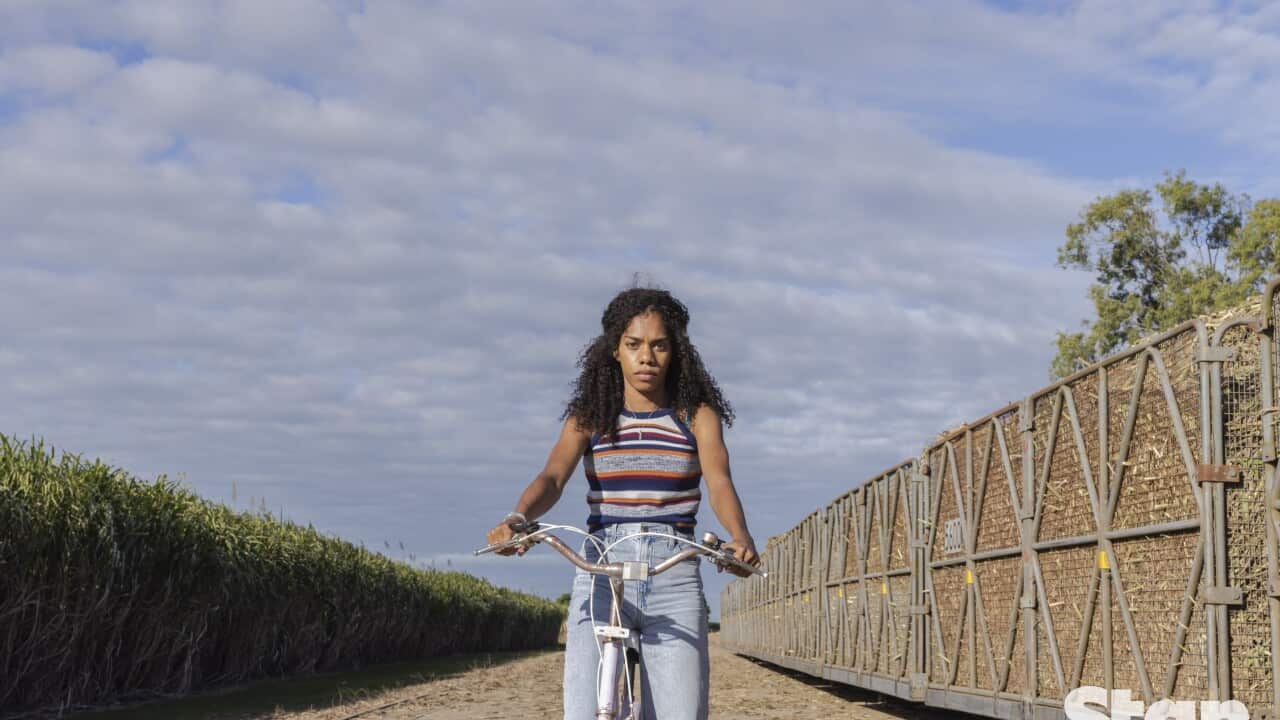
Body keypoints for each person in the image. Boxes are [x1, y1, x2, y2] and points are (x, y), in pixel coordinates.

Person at [485, 285, 760, 720]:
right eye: (633, 345)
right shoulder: (591, 416)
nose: (646, 357)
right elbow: (553, 477)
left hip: (673, 572)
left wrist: (739, 536)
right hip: (600, 567)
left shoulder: (696, 416)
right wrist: (518, 518)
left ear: (675, 352)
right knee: (582, 711)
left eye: (659, 345)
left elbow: (720, 482)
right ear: (615, 349)